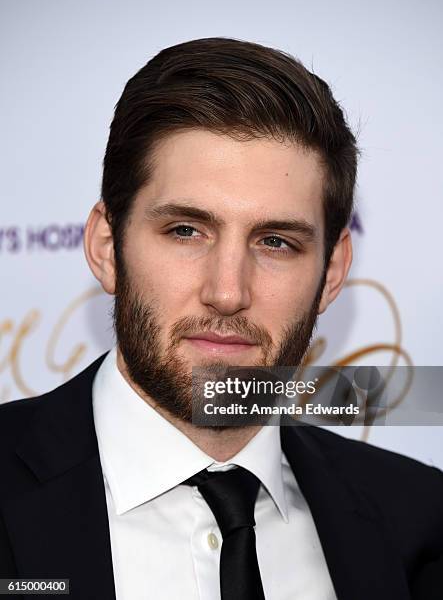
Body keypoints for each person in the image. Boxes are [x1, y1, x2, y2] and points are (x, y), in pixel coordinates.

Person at [0, 37, 442, 600]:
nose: (228, 292)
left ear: (332, 273)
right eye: (186, 231)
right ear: (108, 247)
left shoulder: (422, 520)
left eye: (276, 242)